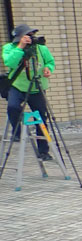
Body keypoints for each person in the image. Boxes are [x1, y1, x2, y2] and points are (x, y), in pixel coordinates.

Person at [3, 25, 56, 161]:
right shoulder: (9, 48)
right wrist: (20, 47)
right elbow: (10, 63)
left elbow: (50, 62)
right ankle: (17, 132)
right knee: (13, 107)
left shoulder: (41, 48)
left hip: (36, 87)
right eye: (26, 36)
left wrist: (48, 68)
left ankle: (44, 151)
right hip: (18, 86)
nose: (29, 39)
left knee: (41, 119)